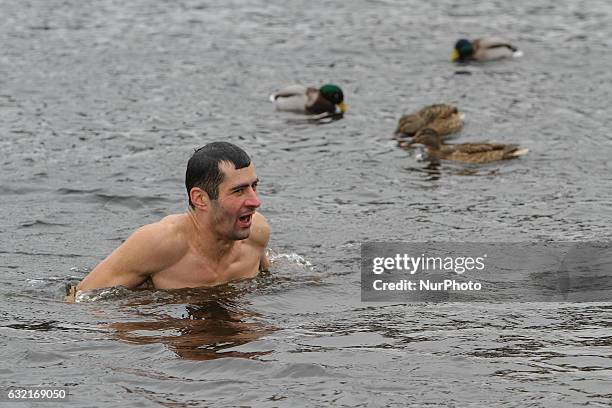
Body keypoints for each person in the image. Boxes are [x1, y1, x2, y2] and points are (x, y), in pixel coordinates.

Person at [74, 142, 270, 295]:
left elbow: (270, 276)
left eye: (254, 186)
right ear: (200, 198)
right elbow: (81, 299)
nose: (255, 201)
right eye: (238, 191)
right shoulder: (158, 244)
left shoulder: (257, 232)